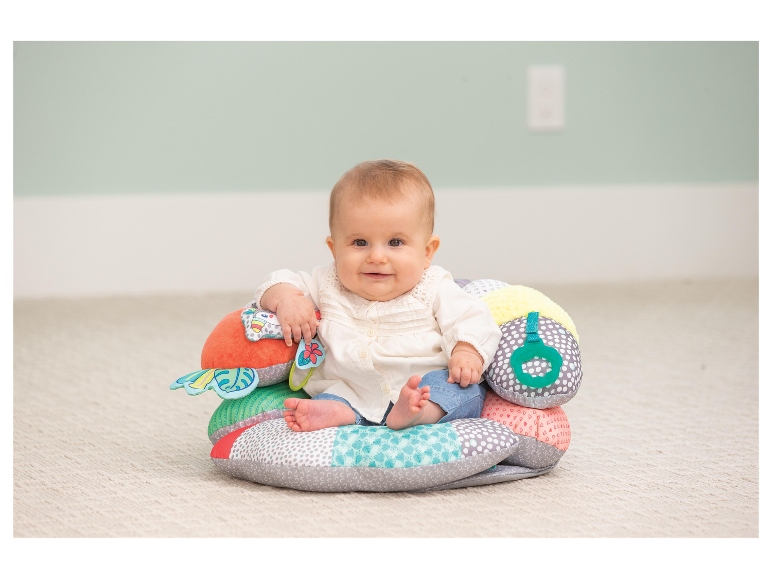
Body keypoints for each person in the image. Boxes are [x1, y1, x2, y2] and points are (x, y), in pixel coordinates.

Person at [255, 160, 501, 431]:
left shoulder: (434, 287)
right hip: (351, 389)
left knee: (465, 392)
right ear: (334, 249)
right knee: (334, 394)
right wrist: (288, 298)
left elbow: (474, 318)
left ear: (427, 252)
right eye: (360, 243)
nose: (376, 257)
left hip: (424, 386)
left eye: (395, 242)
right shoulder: (326, 283)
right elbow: (276, 281)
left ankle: (418, 413)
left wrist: (466, 351)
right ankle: (338, 412)